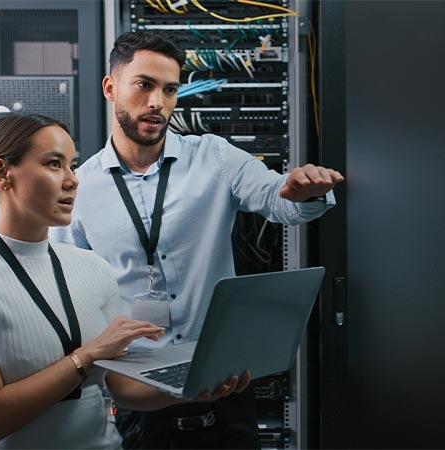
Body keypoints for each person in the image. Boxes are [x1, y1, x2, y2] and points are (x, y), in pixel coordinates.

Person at [48, 29, 345, 449]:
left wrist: (305, 191)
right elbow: (70, 298)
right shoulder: (79, 188)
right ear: (111, 88)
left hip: (225, 385)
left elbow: (281, 202)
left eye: (170, 89)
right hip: (139, 396)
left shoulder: (214, 157)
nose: (158, 102)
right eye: (144, 85)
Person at [0, 113, 246, 450]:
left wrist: (196, 387)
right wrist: (85, 356)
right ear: (3, 173)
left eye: (72, 165)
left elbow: (124, 389)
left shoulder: (93, 268)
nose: (72, 180)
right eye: (53, 164)